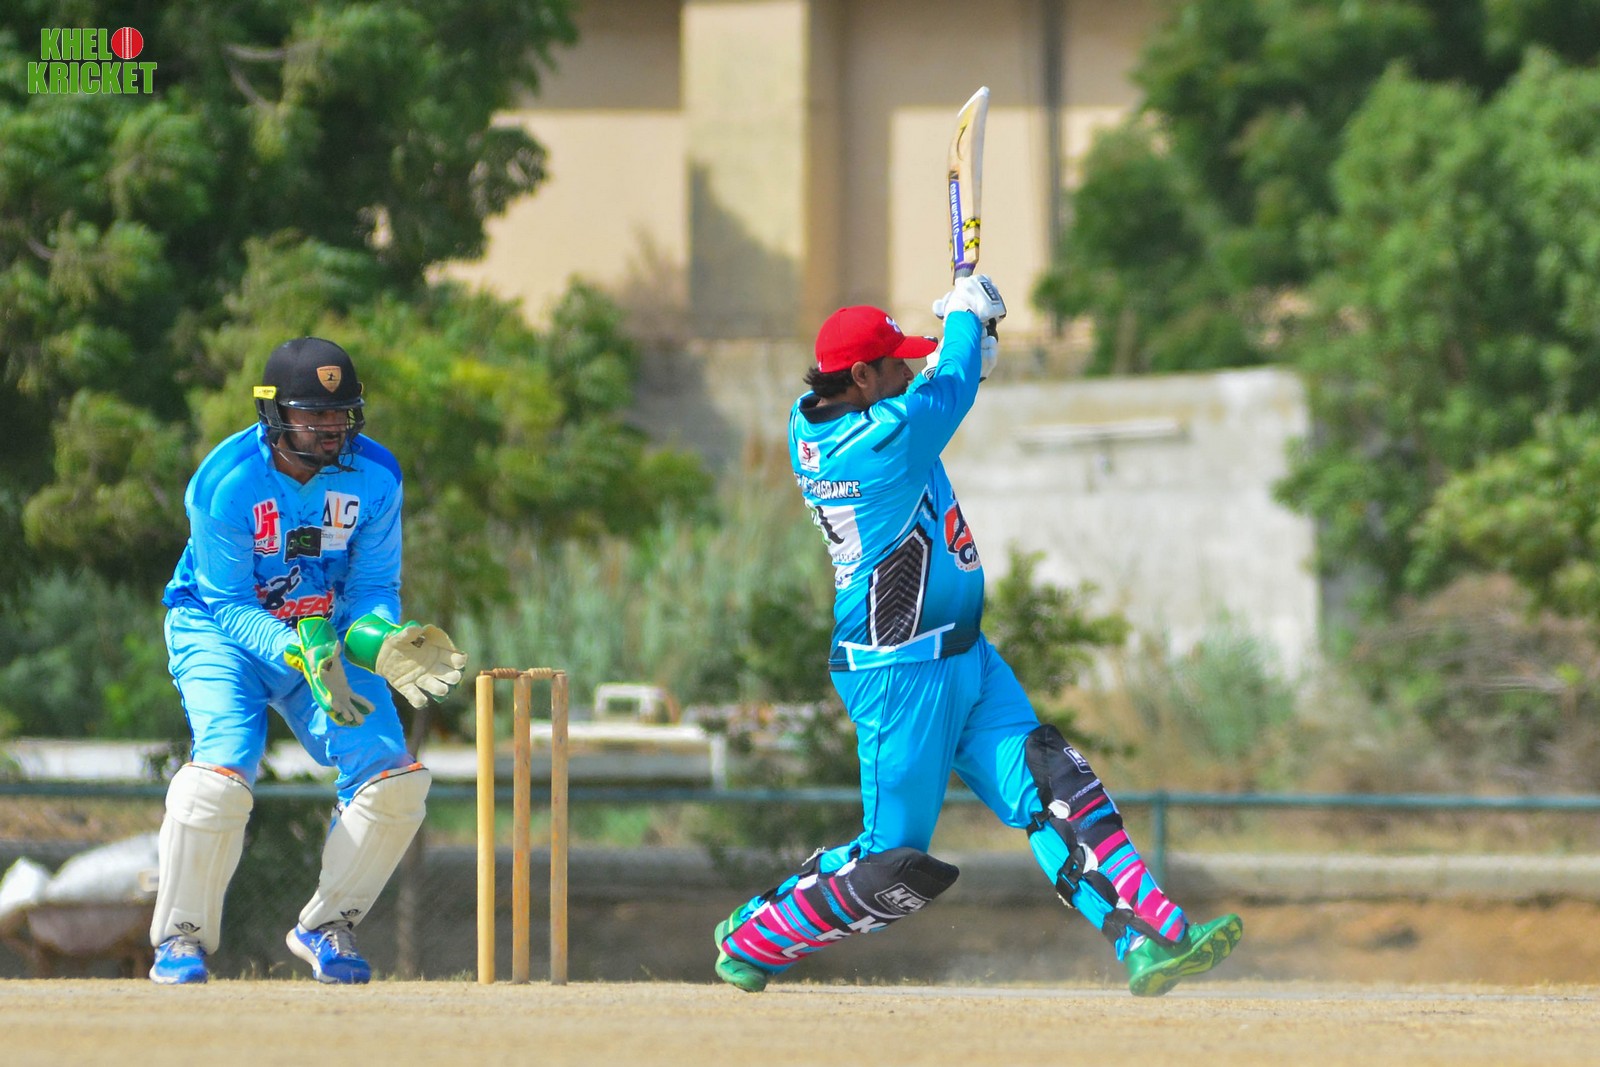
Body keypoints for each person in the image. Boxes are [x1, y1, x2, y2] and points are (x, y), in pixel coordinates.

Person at [712, 277, 1243, 997]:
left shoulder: (818, 421)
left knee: (1058, 784)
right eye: (897, 364)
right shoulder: (880, 441)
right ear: (862, 376)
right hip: (898, 675)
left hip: (964, 653)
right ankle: (754, 938)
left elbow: (934, 393)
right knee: (892, 860)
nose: (908, 371)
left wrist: (963, 353)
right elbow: (946, 391)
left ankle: (1150, 938)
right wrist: (965, 319)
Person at [148, 336, 467, 985]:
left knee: (394, 779)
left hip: (323, 633)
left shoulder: (376, 476)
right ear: (274, 412)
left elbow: (372, 587)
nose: (331, 427)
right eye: (313, 414)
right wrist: (296, 649)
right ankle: (180, 938)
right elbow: (229, 601)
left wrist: (379, 640)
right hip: (219, 630)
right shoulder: (226, 481)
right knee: (222, 770)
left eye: (341, 413)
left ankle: (328, 925)